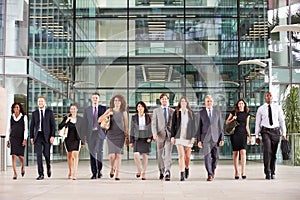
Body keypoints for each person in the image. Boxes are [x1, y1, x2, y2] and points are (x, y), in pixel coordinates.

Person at [255, 91, 287, 180]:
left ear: (272, 97)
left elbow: (282, 121)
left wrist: (284, 133)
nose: (268, 97)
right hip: (265, 131)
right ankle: (267, 172)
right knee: (267, 151)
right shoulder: (261, 109)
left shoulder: (278, 108)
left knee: (273, 153)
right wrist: (257, 136)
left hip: (276, 132)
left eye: (270, 96)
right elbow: (257, 123)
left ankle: (273, 171)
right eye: (267, 96)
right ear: (265, 98)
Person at [197, 95, 224, 181]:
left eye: (210, 101)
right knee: (207, 156)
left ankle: (212, 169)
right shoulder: (201, 113)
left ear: (213, 103)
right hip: (205, 138)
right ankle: (209, 174)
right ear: (205, 103)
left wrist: (222, 139)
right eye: (207, 101)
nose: (209, 103)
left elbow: (220, 127)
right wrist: (199, 140)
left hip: (215, 138)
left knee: (216, 157)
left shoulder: (217, 112)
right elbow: (199, 128)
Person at [102, 94, 128, 181]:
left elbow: (126, 125)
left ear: (122, 102)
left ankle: (117, 174)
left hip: (120, 135)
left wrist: (127, 137)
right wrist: (108, 114)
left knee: (118, 155)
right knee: (112, 156)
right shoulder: (109, 110)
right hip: (110, 135)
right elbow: (100, 119)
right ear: (113, 102)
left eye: (119, 101)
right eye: (115, 100)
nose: (117, 102)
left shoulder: (123, 112)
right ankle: (112, 167)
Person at [30, 96, 56, 180]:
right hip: (38, 136)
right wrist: (31, 137)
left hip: (47, 136)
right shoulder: (34, 113)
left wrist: (52, 136)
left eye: (41, 101)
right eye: (39, 101)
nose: (40, 103)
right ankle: (41, 174)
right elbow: (32, 126)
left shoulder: (49, 112)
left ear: (45, 102)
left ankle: (48, 166)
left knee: (46, 154)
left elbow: (53, 125)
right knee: (39, 155)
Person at [83, 92, 107, 179]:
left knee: (99, 152)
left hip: (100, 133)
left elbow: (108, 120)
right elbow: (85, 123)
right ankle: (94, 172)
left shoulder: (103, 109)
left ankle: (99, 171)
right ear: (91, 99)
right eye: (93, 98)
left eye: (96, 98)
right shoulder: (87, 110)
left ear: (99, 99)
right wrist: (84, 135)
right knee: (92, 153)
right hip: (90, 134)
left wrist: (106, 132)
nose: (95, 99)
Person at [171, 96, 195, 181]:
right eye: (182, 102)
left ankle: (187, 167)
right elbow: (173, 125)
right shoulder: (176, 112)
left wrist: (193, 137)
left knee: (187, 157)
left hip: (188, 137)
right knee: (181, 155)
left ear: (187, 103)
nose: (183, 103)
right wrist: (172, 136)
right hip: (179, 137)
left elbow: (193, 127)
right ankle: (181, 173)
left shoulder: (191, 113)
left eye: (185, 101)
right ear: (180, 103)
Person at [225, 99, 251, 179]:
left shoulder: (247, 114)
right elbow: (227, 122)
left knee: (243, 152)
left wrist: (249, 136)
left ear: (244, 105)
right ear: (237, 105)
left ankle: (243, 172)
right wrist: (233, 118)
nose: (240, 105)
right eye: (239, 103)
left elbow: (247, 126)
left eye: (242, 103)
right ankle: (236, 172)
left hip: (243, 134)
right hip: (235, 134)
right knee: (235, 153)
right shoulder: (234, 113)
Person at [58, 103, 85, 180]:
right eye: (71, 109)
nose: (72, 110)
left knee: (75, 155)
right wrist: (66, 121)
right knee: (69, 156)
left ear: (77, 110)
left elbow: (83, 131)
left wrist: (83, 142)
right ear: (70, 110)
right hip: (68, 139)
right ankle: (70, 171)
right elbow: (60, 126)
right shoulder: (66, 118)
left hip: (76, 139)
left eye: (74, 109)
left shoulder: (80, 119)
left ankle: (75, 173)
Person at [152, 93, 174, 181]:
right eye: (163, 99)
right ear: (160, 100)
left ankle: (167, 171)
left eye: (166, 99)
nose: (164, 100)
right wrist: (154, 133)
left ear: (168, 100)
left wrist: (174, 135)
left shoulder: (172, 111)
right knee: (160, 155)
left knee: (168, 154)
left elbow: (174, 125)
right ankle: (161, 170)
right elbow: (154, 123)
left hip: (169, 135)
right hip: (159, 135)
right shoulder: (156, 111)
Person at [129, 101, 152, 180]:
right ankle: (139, 169)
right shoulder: (134, 117)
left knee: (145, 156)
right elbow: (132, 129)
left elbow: (151, 128)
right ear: (137, 108)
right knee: (136, 154)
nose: (140, 108)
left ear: (144, 108)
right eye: (138, 106)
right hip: (137, 138)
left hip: (146, 138)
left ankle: (144, 173)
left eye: (141, 106)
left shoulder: (148, 117)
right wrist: (131, 141)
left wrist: (150, 137)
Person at [6, 103, 28, 180]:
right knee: (13, 155)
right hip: (13, 138)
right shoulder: (11, 117)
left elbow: (26, 129)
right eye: (15, 107)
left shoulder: (24, 117)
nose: (16, 109)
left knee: (21, 156)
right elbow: (8, 129)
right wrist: (7, 140)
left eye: (17, 107)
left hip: (21, 138)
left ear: (20, 108)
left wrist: (25, 139)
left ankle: (22, 166)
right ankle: (15, 173)